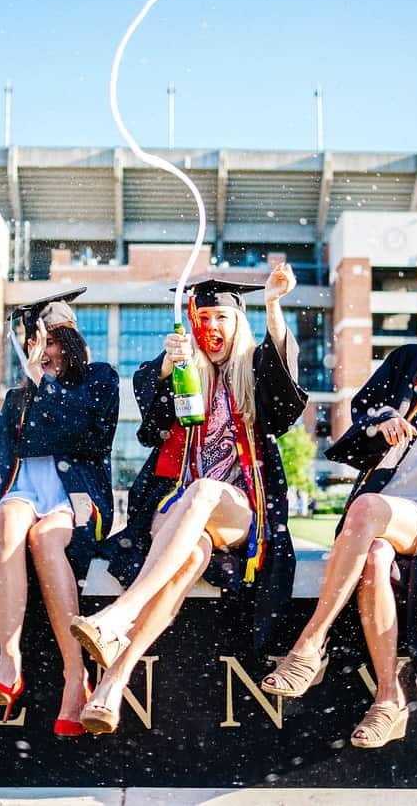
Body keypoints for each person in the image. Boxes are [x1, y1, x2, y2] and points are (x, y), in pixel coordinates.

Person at [261, 275, 417, 749]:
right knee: (375, 557)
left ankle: (309, 644)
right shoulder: (412, 362)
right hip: (383, 504)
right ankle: (387, 701)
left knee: (366, 510)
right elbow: (365, 407)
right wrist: (385, 420)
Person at [71, 264, 307, 734]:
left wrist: (275, 305)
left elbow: (284, 393)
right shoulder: (185, 375)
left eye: (221, 318)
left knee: (202, 492)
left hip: (239, 511)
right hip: (178, 513)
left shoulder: (254, 370)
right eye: (204, 319)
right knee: (188, 556)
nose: (212, 328)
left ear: (237, 323)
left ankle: (119, 615)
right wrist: (167, 363)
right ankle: (112, 686)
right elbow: (151, 425)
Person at [0, 286, 120, 736]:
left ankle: (76, 678)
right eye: (33, 342)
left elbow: (81, 435)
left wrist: (43, 383)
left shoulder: (100, 379)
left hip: (75, 493)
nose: (43, 351)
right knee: (10, 519)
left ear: (68, 340)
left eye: (50, 340)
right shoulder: (19, 396)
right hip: (22, 489)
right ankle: (9, 660)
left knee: (45, 538)